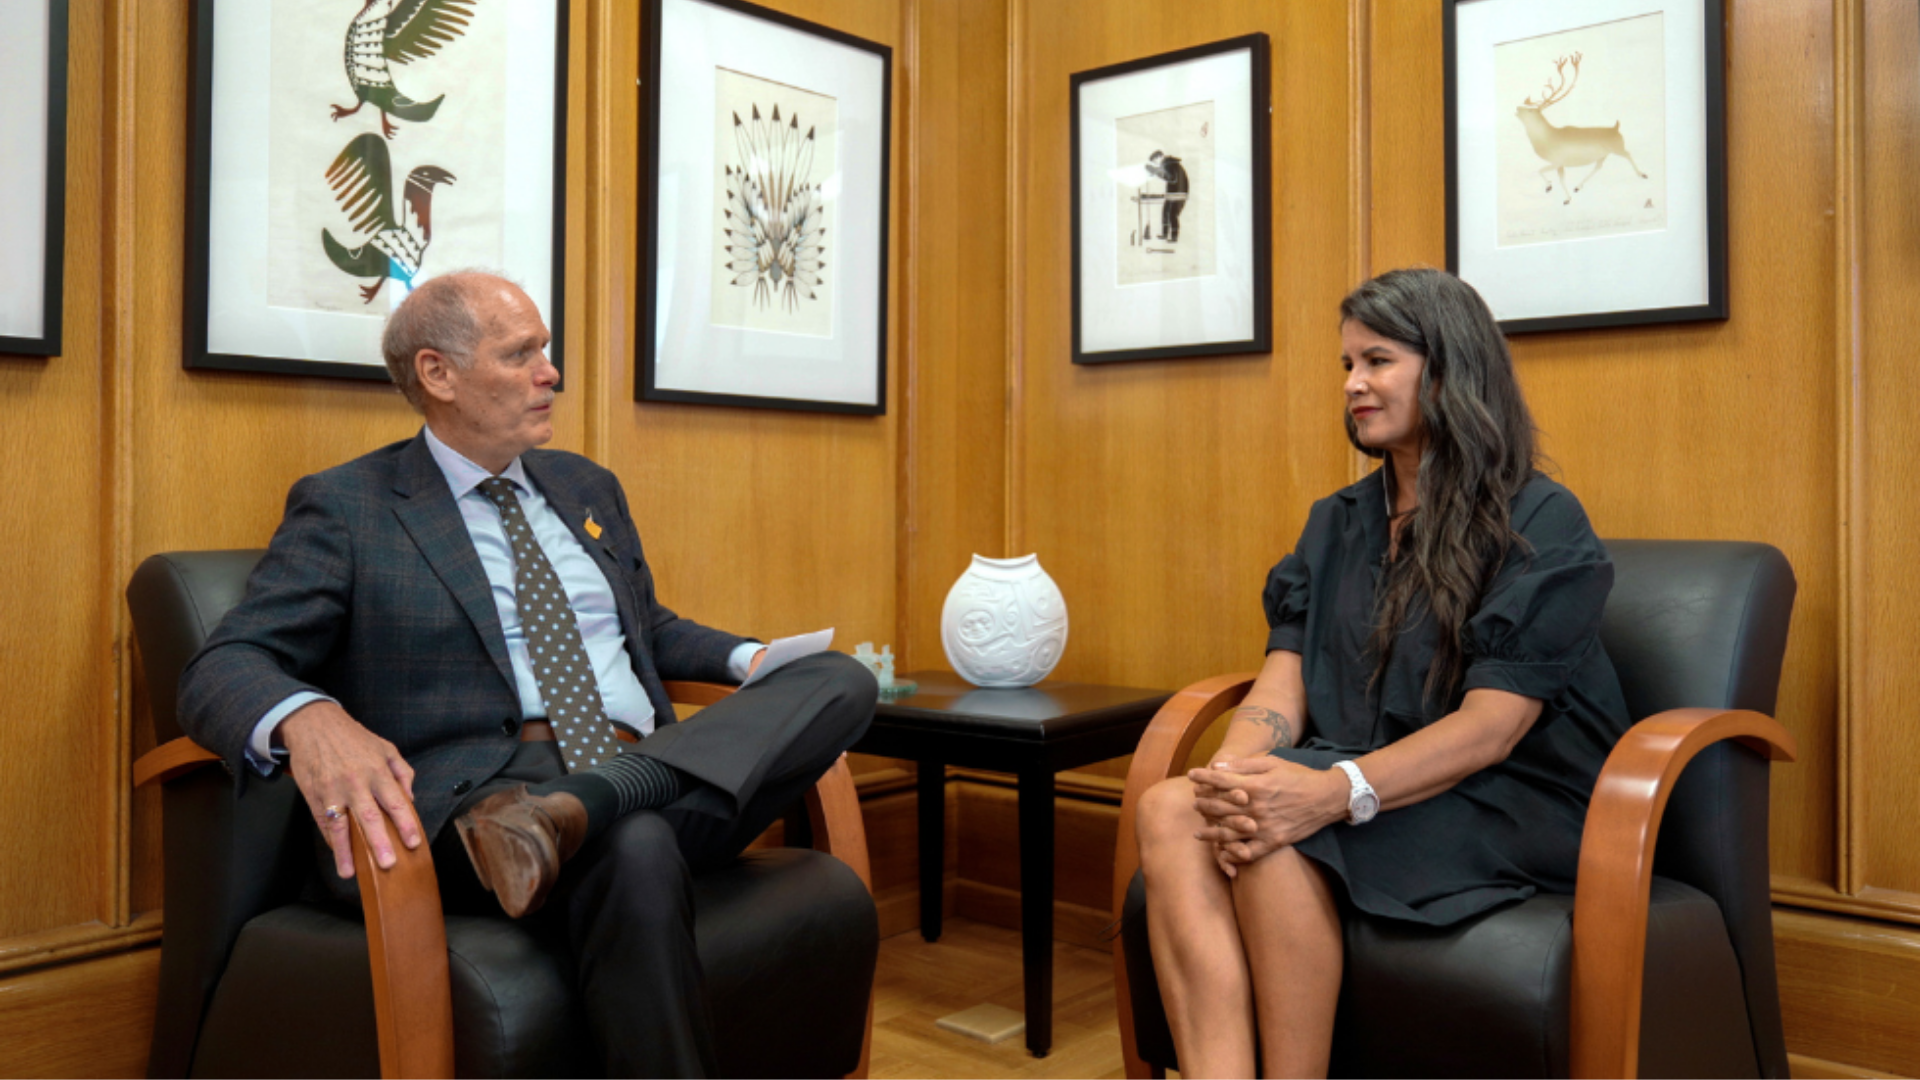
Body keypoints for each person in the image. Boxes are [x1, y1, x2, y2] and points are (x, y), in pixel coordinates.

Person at [177, 270, 877, 1076]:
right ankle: (573, 812)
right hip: (487, 805)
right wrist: (309, 718)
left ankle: (583, 808)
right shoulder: (350, 506)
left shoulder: (585, 487)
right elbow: (223, 664)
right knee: (636, 846)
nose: (552, 373)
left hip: (648, 770)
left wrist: (749, 660)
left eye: (545, 350)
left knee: (839, 678)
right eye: (522, 354)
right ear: (438, 374)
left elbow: (645, 627)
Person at [1133, 267, 1631, 1078]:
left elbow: (1492, 727)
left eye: (1378, 361)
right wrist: (1232, 776)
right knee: (1170, 808)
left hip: (1507, 795)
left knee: (1274, 836)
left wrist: (1329, 793)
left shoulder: (1539, 519)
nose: (1355, 385)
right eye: (1347, 367)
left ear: (1449, 368)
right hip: (1358, 768)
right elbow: (1283, 681)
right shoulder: (1336, 522)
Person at [1146, 151, 1189, 242]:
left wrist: (1156, 172)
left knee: (1172, 215)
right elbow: (1169, 177)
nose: (1155, 163)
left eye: (1155, 161)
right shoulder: (1168, 163)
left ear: (1159, 157)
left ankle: (1174, 237)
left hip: (1178, 194)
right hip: (1173, 194)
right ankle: (1165, 235)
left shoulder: (1169, 164)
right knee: (1166, 213)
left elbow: (1171, 178)